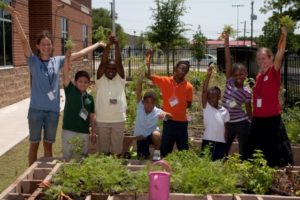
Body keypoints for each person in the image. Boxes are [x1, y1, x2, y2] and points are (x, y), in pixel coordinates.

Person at [7, 6, 105, 165]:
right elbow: (24, 41)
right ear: (38, 47)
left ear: (52, 46)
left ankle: (45, 175)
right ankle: (31, 175)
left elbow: (79, 54)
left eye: (49, 44)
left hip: (52, 112)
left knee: (48, 145)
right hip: (36, 111)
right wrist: (15, 17)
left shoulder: (57, 61)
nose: (46, 47)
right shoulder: (33, 61)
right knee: (33, 145)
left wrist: (97, 44)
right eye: (43, 44)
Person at [246, 26, 293, 167]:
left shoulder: (274, 71)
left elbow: (280, 54)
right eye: (258, 59)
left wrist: (284, 36)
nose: (261, 61)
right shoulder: (259, 76)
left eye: (264, 58)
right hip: (257, 120)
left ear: (270, 58)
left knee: (275, 154)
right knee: (255, 155)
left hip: (272, 120)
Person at [146, 53, 193, 157]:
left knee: (183, 151)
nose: (183, 71)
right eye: (181, 68)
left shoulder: (189, 86)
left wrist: (179, 108)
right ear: (175, 68)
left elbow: (189, 103)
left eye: (186, 70)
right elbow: (148, 75)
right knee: (165, 150)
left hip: (182, 123)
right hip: (168, 122)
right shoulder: (165, 81)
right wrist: (148, 59)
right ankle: (164, 169)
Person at [134, 51, 172, 160]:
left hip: (151, 136)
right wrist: (141, 77)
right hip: (141, 137)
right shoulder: (140, 106)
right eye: (147, 102)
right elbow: (138, 91)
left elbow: (168, 115)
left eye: (152, 102)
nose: (149, 105)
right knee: (142, 157)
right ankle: (146, 155)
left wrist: (165, 115)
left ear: (155, 103)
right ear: (143, 102)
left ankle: (157, 152)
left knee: (156, 134)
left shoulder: (157, 111)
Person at [222, 31, 252, 159]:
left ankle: (242, 171)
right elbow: (228, 59)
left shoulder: (247, 91)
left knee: (243, 148)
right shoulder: (229, 81)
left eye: (241, 74)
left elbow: (249, 109)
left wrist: (251, 122)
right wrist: (226, 42)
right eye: (236, 74)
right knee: (224, 146)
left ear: (246, 74)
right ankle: (220, 166)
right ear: (232, 75)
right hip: (228, 121)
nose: (238, 77)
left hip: (241, 122)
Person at [61, 50, 96, 161]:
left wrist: (93, 132)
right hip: (68, 130)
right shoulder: (70, 90)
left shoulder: (90, 98)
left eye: (86, 82)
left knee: (82, 158)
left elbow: (92, 116)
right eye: (80, 81)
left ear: (89, 84)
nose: (83, 84)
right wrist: (66, 59)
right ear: (75, 82)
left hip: (84, 132)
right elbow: (66, 74)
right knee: (68, 157)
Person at [95, 34, 126, 155]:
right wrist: (108, 45)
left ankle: (116, 171)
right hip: (102, 120)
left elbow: (119, 63)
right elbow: (103, 63)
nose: (111, 70)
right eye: (108, 68)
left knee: (117, 152)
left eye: (114, 69)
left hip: (118, 119)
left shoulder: (120, 79)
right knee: (103, 151)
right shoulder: (100, 79)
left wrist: (117, 44)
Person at [202, 64, 230, 161]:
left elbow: (226, 129)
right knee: (206, 162)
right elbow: (204, 92)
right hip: (208, 140)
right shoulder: (207, 107)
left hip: (221, 142)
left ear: (219, 97)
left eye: (213, 97)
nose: (210, 99)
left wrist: (225, 142)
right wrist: (208, 76)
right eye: (209, 97)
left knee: (218, 163)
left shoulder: (225, 111)